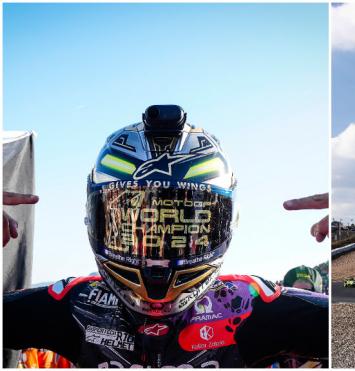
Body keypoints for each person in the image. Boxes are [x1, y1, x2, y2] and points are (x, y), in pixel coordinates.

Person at [3, 105, 328, 368]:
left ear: (226, 224)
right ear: (95, 221)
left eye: (180, 230)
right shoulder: (79, 305)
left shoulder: (247, 307)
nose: (157, 260)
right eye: (135, 229)